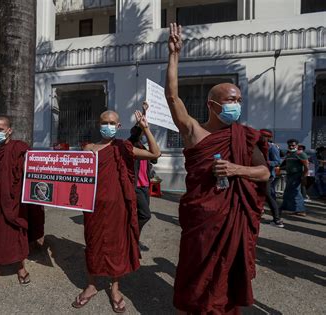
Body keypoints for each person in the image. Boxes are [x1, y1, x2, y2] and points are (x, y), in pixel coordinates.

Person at [165, 24, 270, 314]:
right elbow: (173, 99)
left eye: (238, 100)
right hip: (201, 220)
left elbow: (264, 174)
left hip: (230, 220)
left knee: (225, 277)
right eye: (230, 100)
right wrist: (173, 56)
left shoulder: (245, 137)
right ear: (213, 105)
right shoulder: (195, 132)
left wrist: (236, 169)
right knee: (194, 272)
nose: (236, 105)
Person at [72, 109, 160, 313]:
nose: (108, 126)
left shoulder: (124, 147)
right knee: (93, 245)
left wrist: (145, 129)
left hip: (118, 207)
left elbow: (155, 153)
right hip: (93, 207)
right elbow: (75, 177)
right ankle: (92, 285)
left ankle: (115, 288)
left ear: (118, 126)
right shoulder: (89, 149)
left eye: (112, 123)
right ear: (98, 124)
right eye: (105, 122)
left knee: (116, 247)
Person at [0, 115, 45, 287]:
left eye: (0, 129)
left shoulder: (19, 147)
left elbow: (30, 170)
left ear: (9, 130)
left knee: (16, 230)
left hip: (14, 198)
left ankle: (20, 267)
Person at [127, 101, 157, 251]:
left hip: (145, 186)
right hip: (136, 187)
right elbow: (138, 131)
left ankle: (134, 240)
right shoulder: (131, 145)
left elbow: (155, 157)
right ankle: (131, 240)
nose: (145, 134)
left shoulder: (145, 147)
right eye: (144, 132)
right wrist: (144, 114)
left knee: (140, 215)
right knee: (145, 215)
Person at [260, 129, 283, 228]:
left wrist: (266, 163)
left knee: (269, 196)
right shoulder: (258, 145)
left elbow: (277, 162)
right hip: (257, 174)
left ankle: (277, 220)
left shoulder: (272, 147)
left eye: (264, 136)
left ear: (269, 137)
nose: (261, 137)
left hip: (268, 175)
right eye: (260, 135)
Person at [280, 139, 308, 216]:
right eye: (290, 145)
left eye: (293, 145)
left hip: (297, 175)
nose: (291, 147)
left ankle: (300, 210)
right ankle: (286, 208)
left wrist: (304, 177)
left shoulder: (301, 154)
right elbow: (287, 165)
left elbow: (306, 166)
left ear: (297, 145)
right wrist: (279, 168)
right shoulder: (289, 154)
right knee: (288, 192)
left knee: (295, 192)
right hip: (289, 175)